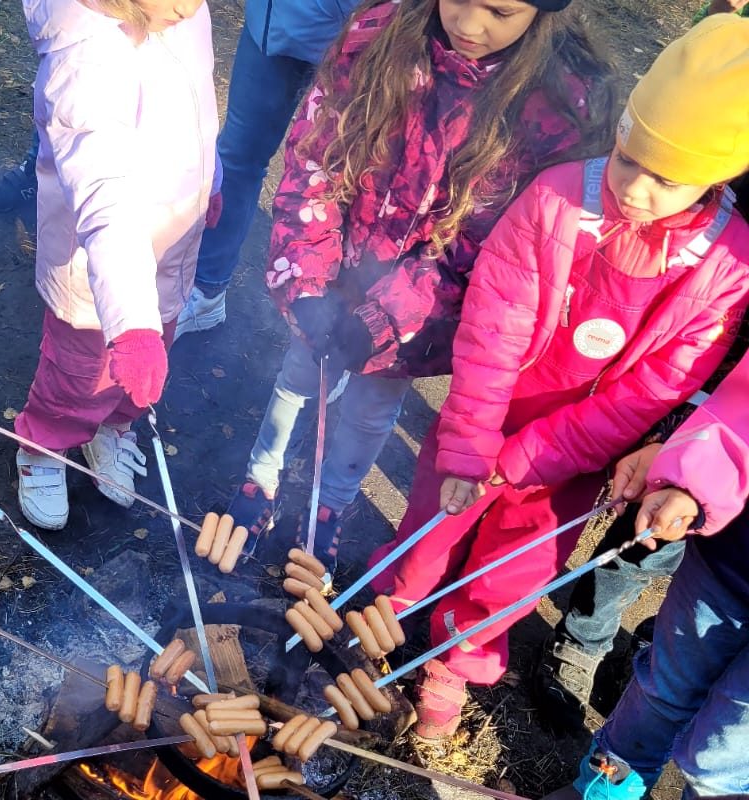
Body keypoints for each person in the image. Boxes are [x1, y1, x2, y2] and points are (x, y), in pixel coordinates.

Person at [369, 14, 749, 740]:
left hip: (577, 456)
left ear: (716, 178)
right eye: (629, 159)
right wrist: (476, 440)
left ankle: (453, 662)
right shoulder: (557, 198)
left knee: (513, 568)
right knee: (431, 529)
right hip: (488, 418)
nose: (634, 188)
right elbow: (492, 327)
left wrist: (535, 458)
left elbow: (654, 390)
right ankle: (381, 616)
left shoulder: (728, 266)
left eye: (665, 179)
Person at [226, 0, 616, 567]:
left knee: (371, 403)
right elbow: (316, 158)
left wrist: (386, 320)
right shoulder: (378, 33)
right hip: (337, 260)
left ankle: (329, 505)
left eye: (500, 12)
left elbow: (492, 247)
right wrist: (307, 285)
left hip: (422, 310)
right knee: (299, 370)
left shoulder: (560, 104)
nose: (470, 25)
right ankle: (261, 476)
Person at [531, 0, 749, 732]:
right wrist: (680, 432)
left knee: (719, 566)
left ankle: (653, 649)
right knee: (652, 523)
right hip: (708, 346)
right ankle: (582, 639)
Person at [12, 0, 219, 530]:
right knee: (79, 370)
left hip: (171, 246)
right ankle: (43, 444)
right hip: (96, 259)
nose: (188, 4)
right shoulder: (85, 58)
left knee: (141, 371)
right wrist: (131, 326)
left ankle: (112, 428)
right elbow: (105, 196)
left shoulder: (182, 12)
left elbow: (198, 104)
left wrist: (208, 180)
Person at [540, 340, 749, 797]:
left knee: (721, 763)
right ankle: (603, 788)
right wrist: (695, 480)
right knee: (662, 689)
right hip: (731, 565)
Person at [175, 0, 358, 336]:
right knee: (237, 157)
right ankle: (206, 291)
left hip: (363, 39)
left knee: (349, 182)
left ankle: (342, 335)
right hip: (275, 21)